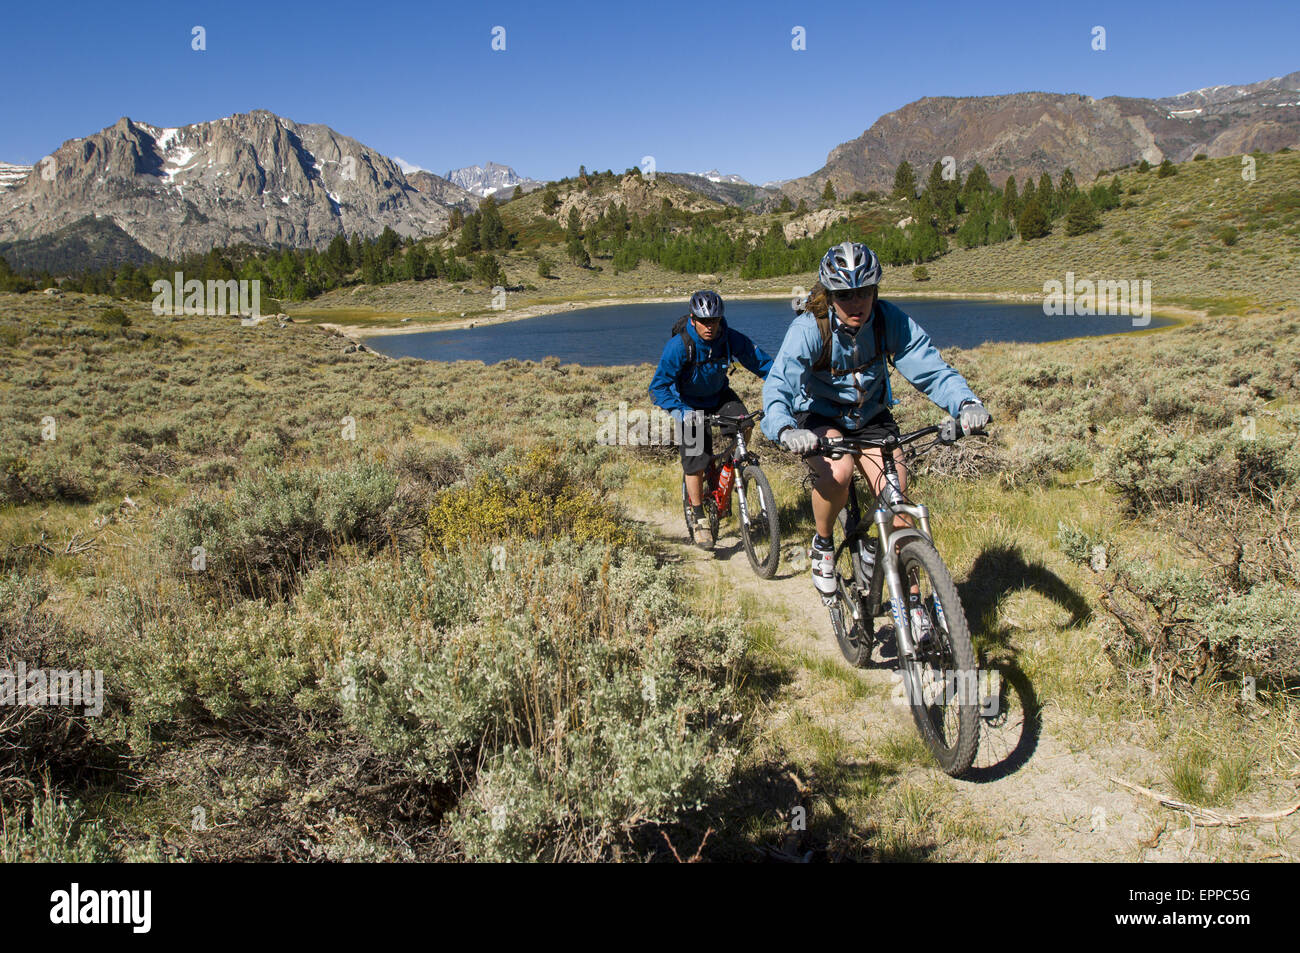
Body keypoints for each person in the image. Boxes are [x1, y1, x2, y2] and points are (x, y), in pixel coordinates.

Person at [761, 241, 990, 595]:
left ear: (875, 290)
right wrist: (786, 428)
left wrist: (965, 403)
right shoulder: (810, 329)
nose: (857, 304)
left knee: (897, 505)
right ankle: (823, 545)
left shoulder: (887, 320)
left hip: (872, 417)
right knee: (839, 471)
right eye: (845, 295)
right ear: (830, 294)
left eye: (864, 292)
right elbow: (779, 386)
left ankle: (915, 612)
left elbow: (929, 367)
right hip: (819, 417)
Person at [650, 290, 774, 548]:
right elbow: (658, 387)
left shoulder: (729, 338)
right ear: (693, 319)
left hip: (719, 396)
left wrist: (782, 388)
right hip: (690, 404)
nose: (710, 326)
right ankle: (698, 518)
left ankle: (729, 466)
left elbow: (762, 364)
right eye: (704, 321)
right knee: (695, 459)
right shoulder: (679, 346)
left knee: (745, 424)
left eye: (714, 321)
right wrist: (680, 411)